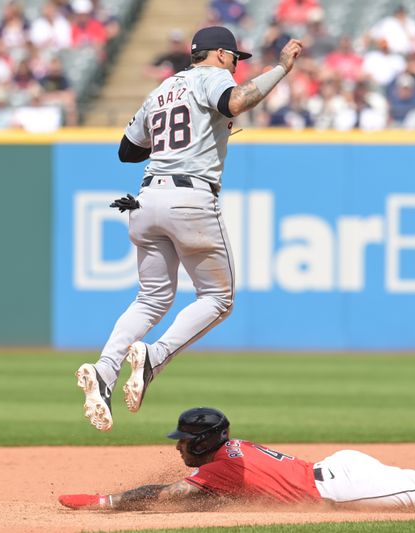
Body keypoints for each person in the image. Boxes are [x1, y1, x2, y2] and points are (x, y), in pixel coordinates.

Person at [75, 27, 303, 432]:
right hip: (190, 198)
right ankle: (154, 358)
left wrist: (185, 138)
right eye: (235, 57)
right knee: (219, 298)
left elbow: (127, 151)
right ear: (218, 53)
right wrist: (281, 68)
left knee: (151, 298)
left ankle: (105, 370)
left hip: (146, 200)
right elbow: (236, 99)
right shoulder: (213, 76)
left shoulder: (162, 90)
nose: (237, 63)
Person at [60, 407, 415, 510]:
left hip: (340, 486)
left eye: (181, 438)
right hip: (339, 466)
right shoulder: (230, 453)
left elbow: (166, 494)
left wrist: (104, 501)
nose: (176, 445)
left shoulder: (217, 468)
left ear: (202, 442)